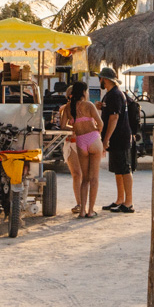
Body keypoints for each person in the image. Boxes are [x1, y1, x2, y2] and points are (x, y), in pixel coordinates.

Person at [58, 81, 104, 218]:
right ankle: (91, 211)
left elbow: (62, 126)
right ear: (84, 92)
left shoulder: (67, 107)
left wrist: (75, 128)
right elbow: (100, 123)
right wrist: (96, 131)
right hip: (93, 140)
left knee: (84, 179)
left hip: (80, 141)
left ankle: (82, 210)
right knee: (94, 178)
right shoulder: (89, 105)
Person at [98, 67, 135, 213]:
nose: (99, 81)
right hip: (117, 136)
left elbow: (114, 117)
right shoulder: (110, 94)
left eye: (100, 78)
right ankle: (120, 199)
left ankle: (129, 202)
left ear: (105, 79)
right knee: (118, 170)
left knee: (125, 169)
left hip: (119, 136)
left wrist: (106, 139)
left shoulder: (114, 95)